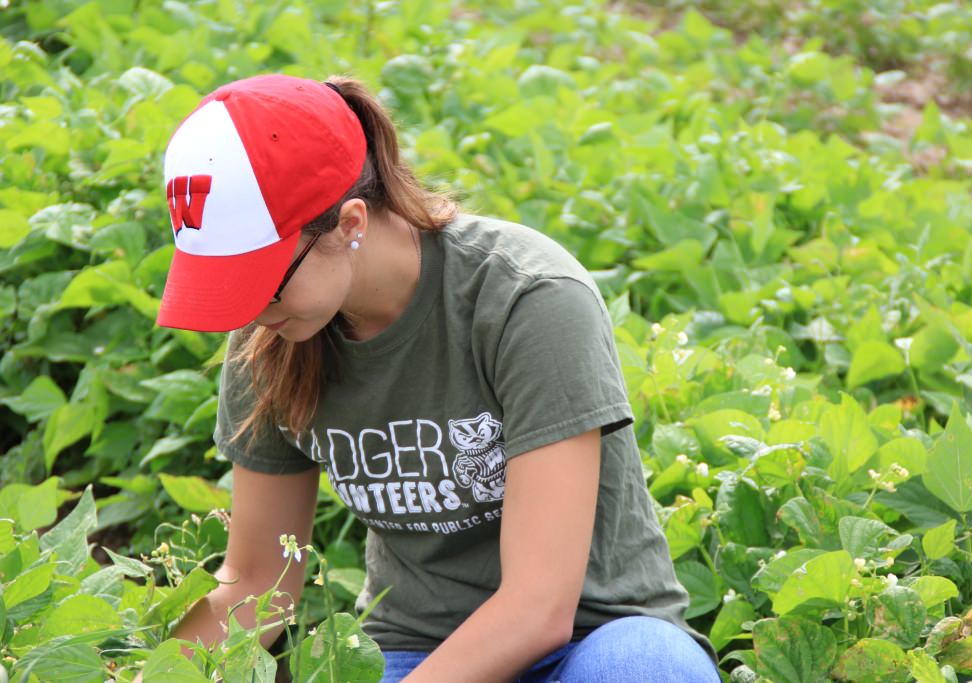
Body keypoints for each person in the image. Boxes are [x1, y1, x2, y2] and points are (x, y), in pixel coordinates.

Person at [150, 73, 719, 682]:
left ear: (349, 224)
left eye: (260, 282)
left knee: (650, 672)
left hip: (596, 638)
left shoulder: (528, 300)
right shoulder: (275, 334)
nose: (246, 313)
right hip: (418, 646)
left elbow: (539, 608)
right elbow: (262, 583)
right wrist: (140, 675)